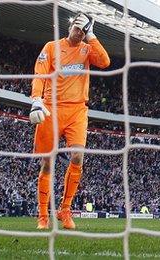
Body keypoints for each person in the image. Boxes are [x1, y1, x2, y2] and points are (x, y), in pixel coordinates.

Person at [31, 12, 110, 230]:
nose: (78, 33)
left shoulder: (87, 49)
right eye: (77, 28)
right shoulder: (51, 47)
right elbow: (40, 73)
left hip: (77, 110)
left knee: (78, 156)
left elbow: (105, 61)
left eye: (83, 30)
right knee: (47, 162)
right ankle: (42, 215)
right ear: (70, 26)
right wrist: (36, 99)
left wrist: (91, 35)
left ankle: (65, 210)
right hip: (51, 109)